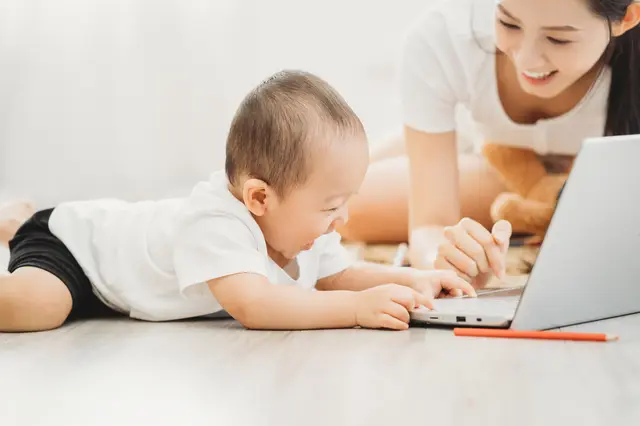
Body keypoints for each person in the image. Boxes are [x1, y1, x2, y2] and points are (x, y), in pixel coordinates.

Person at [0, 70, 476, 333]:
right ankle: (19, 222)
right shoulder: (216, 222)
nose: (344, 219)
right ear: (259, 197)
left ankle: (13, 220)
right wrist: (355, 309)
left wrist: (418, 280)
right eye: (331, 206)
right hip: (79, 251)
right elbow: (258, 306)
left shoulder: (301, 233)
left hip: (117, 267)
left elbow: (342, 276)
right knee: (38, 309)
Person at [338, 0, 640, 283]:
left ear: (627, 18)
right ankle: (546, 200)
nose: (526, 58)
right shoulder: (445, 37)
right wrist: (445, 263)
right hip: (487, 152)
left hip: (579, 173)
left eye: (558, 39)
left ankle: (547, 199)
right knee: (344, 202)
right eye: (509, 24)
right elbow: (430, 225)